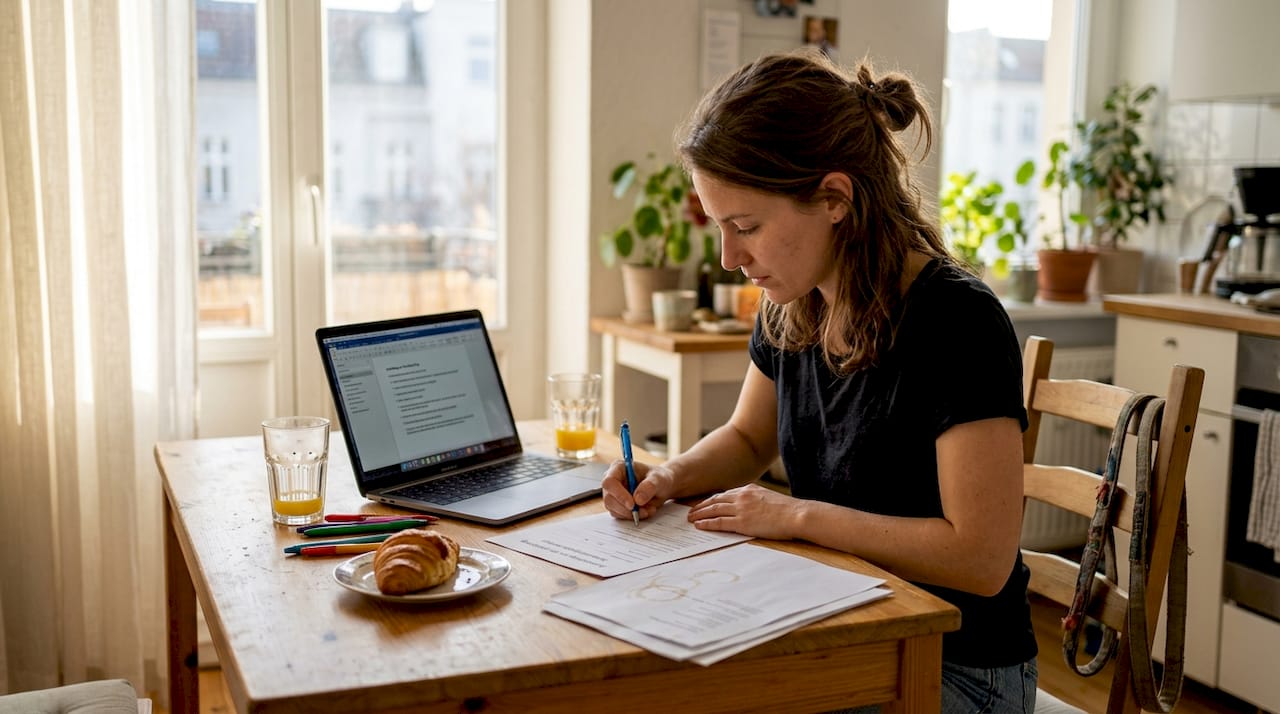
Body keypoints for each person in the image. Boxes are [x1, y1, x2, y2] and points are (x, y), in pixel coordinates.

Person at [601, 48, 1037, 713]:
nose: (730, 257)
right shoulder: (792, 305)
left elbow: (980, 559)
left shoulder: (958, 322)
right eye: (721, 228)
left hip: (959, 669)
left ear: (835, 198)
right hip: (845, 630)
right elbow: (748, 438)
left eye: (745, 227)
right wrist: (670, 476)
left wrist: (796, 516)